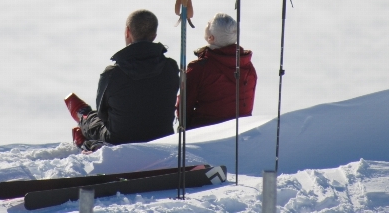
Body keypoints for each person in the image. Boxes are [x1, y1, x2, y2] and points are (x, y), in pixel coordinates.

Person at [64, 9, 180, 151]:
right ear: (154, 35)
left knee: (94, 120)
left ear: (127, 32)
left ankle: (82, 118)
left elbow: (103, 114)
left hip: (120, 140)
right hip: (162, 136)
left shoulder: (112, 74)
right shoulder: (171, 67)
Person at [181, 13, 257, 130]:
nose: (206, 25)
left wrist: (184, 129)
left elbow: (183, 107)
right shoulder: (247, 67)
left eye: (208, 24)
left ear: (211, 38)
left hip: (203, 133)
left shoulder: (200, 69)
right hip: (240, 134)